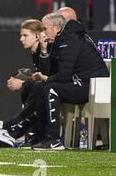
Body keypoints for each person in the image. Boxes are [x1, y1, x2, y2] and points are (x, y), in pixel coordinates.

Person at [30, 13, 109, 150]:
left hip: (93, 87)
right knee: (43, 86)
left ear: (56, 28)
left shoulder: (69, 40)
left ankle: (53, 139)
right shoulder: (62, 40)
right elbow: (51, 71)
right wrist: (44, 51)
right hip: (85, 83)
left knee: (51, 88)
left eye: (45, 29)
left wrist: (47, 79)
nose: (43, 33)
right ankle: (42, 136)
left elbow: (63, 76)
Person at [0, 19, 50, 148]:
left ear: (36, 36)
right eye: (21, 35)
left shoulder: (44, 50)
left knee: (36, 89)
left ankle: (8, 128)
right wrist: (26, 76)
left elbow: (46, 77)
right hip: (47, 88)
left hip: (55, 89)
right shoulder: (36, 52)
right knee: (31, 89)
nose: (21, 39)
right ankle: (18, 132)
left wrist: (23, 82)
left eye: (25, 35)